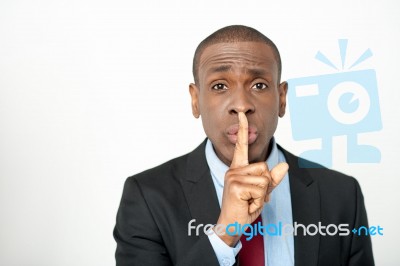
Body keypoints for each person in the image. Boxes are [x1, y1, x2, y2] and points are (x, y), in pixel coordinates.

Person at [113, 25, 374, 266]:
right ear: (196, 100)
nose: (241, 104)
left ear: (282, 99)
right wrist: (225, 234)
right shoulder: (147, 197)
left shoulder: (342, 195)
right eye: (220, 86)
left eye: (259, 85)